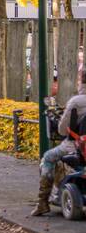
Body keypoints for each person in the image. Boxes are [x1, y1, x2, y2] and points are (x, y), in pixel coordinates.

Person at [32, 81, 86, 215]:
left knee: (48, 157)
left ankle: (42, 202)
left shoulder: (76, 102)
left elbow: (62, 130)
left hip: (76, 145)